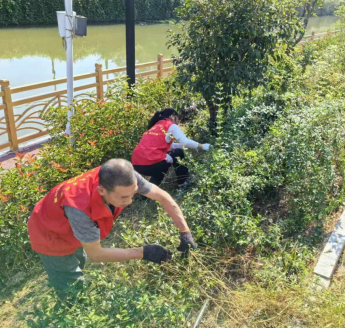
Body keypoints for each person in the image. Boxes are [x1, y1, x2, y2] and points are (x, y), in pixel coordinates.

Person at [27, 159, 196, 296]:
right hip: (49, 234)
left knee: (80, 259)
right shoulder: (79, 209)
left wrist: (185, 231)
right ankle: (70, 308)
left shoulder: (123, 177)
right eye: (123, 197)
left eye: (133, 194)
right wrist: (144, 252)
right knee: (72, 286)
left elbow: (163, 197)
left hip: (68, 224)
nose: (130, 201)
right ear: (101, 190)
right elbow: (96, 254)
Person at [132, 108, 211, 187]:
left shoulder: (156, 126)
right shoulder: (170, 125)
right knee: (177, 153)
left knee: (161, 166)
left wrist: (193, 146)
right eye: (178, 119)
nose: (178, 123)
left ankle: (148, 193)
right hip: (151, 163)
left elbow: (173, 145)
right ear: (172, 116)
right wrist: (202, 146)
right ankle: (182, 183)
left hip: (137, 165)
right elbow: (184, 141)